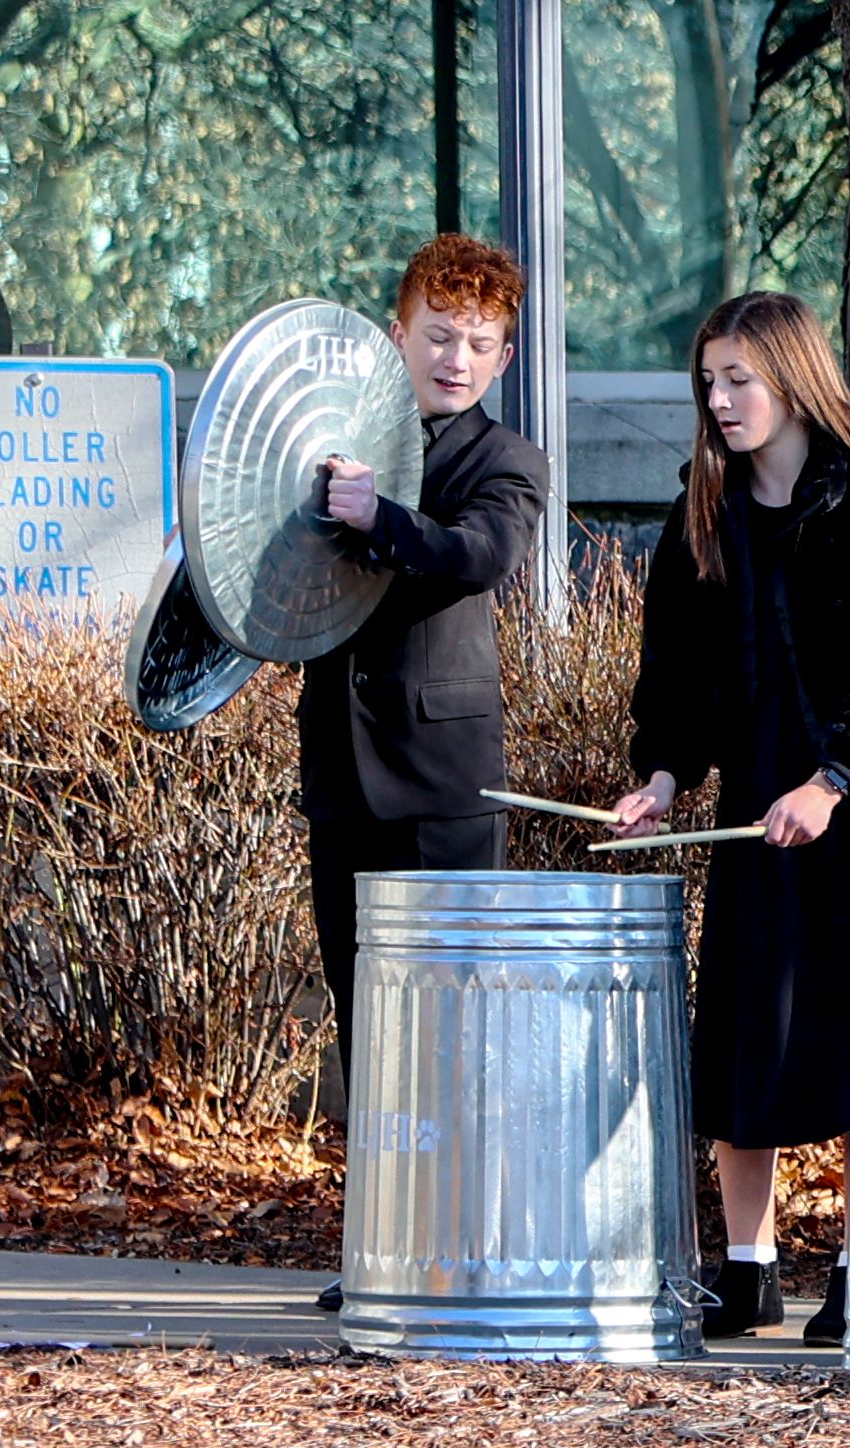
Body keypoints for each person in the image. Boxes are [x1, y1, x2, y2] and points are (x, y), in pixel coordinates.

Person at [606, 292, 850, 1342]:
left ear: (794, 381)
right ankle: (745, 1265)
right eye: (707, 382)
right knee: (746, 1032)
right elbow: (676, 677)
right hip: (755, 813)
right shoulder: (701, 519)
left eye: (737, 380)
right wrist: (662, 775)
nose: (718, 400)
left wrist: (833, 780)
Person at [297, 232, 549, 1316]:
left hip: (443, 781)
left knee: (450, 1032)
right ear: (396, 334)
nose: (456, 358)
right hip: (340, 775)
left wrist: (378, 519)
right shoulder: (336, 441)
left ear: (503, 359)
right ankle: (381, 1255)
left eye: (480, 343)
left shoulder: (507, 460)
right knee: (367, 1024)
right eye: (439, 335)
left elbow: (476, 556)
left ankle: (460, 1249)